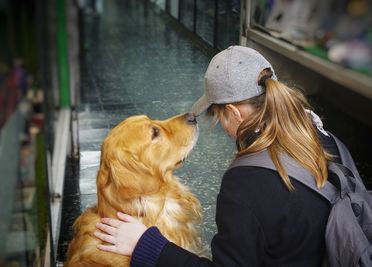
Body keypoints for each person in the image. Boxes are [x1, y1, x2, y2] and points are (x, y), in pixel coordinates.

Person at [94, 46, 343, 266]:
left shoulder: (246, 184)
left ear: (234, 113)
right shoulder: (323, 137)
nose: (221, 125)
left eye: (218, 115)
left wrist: (147, 245)